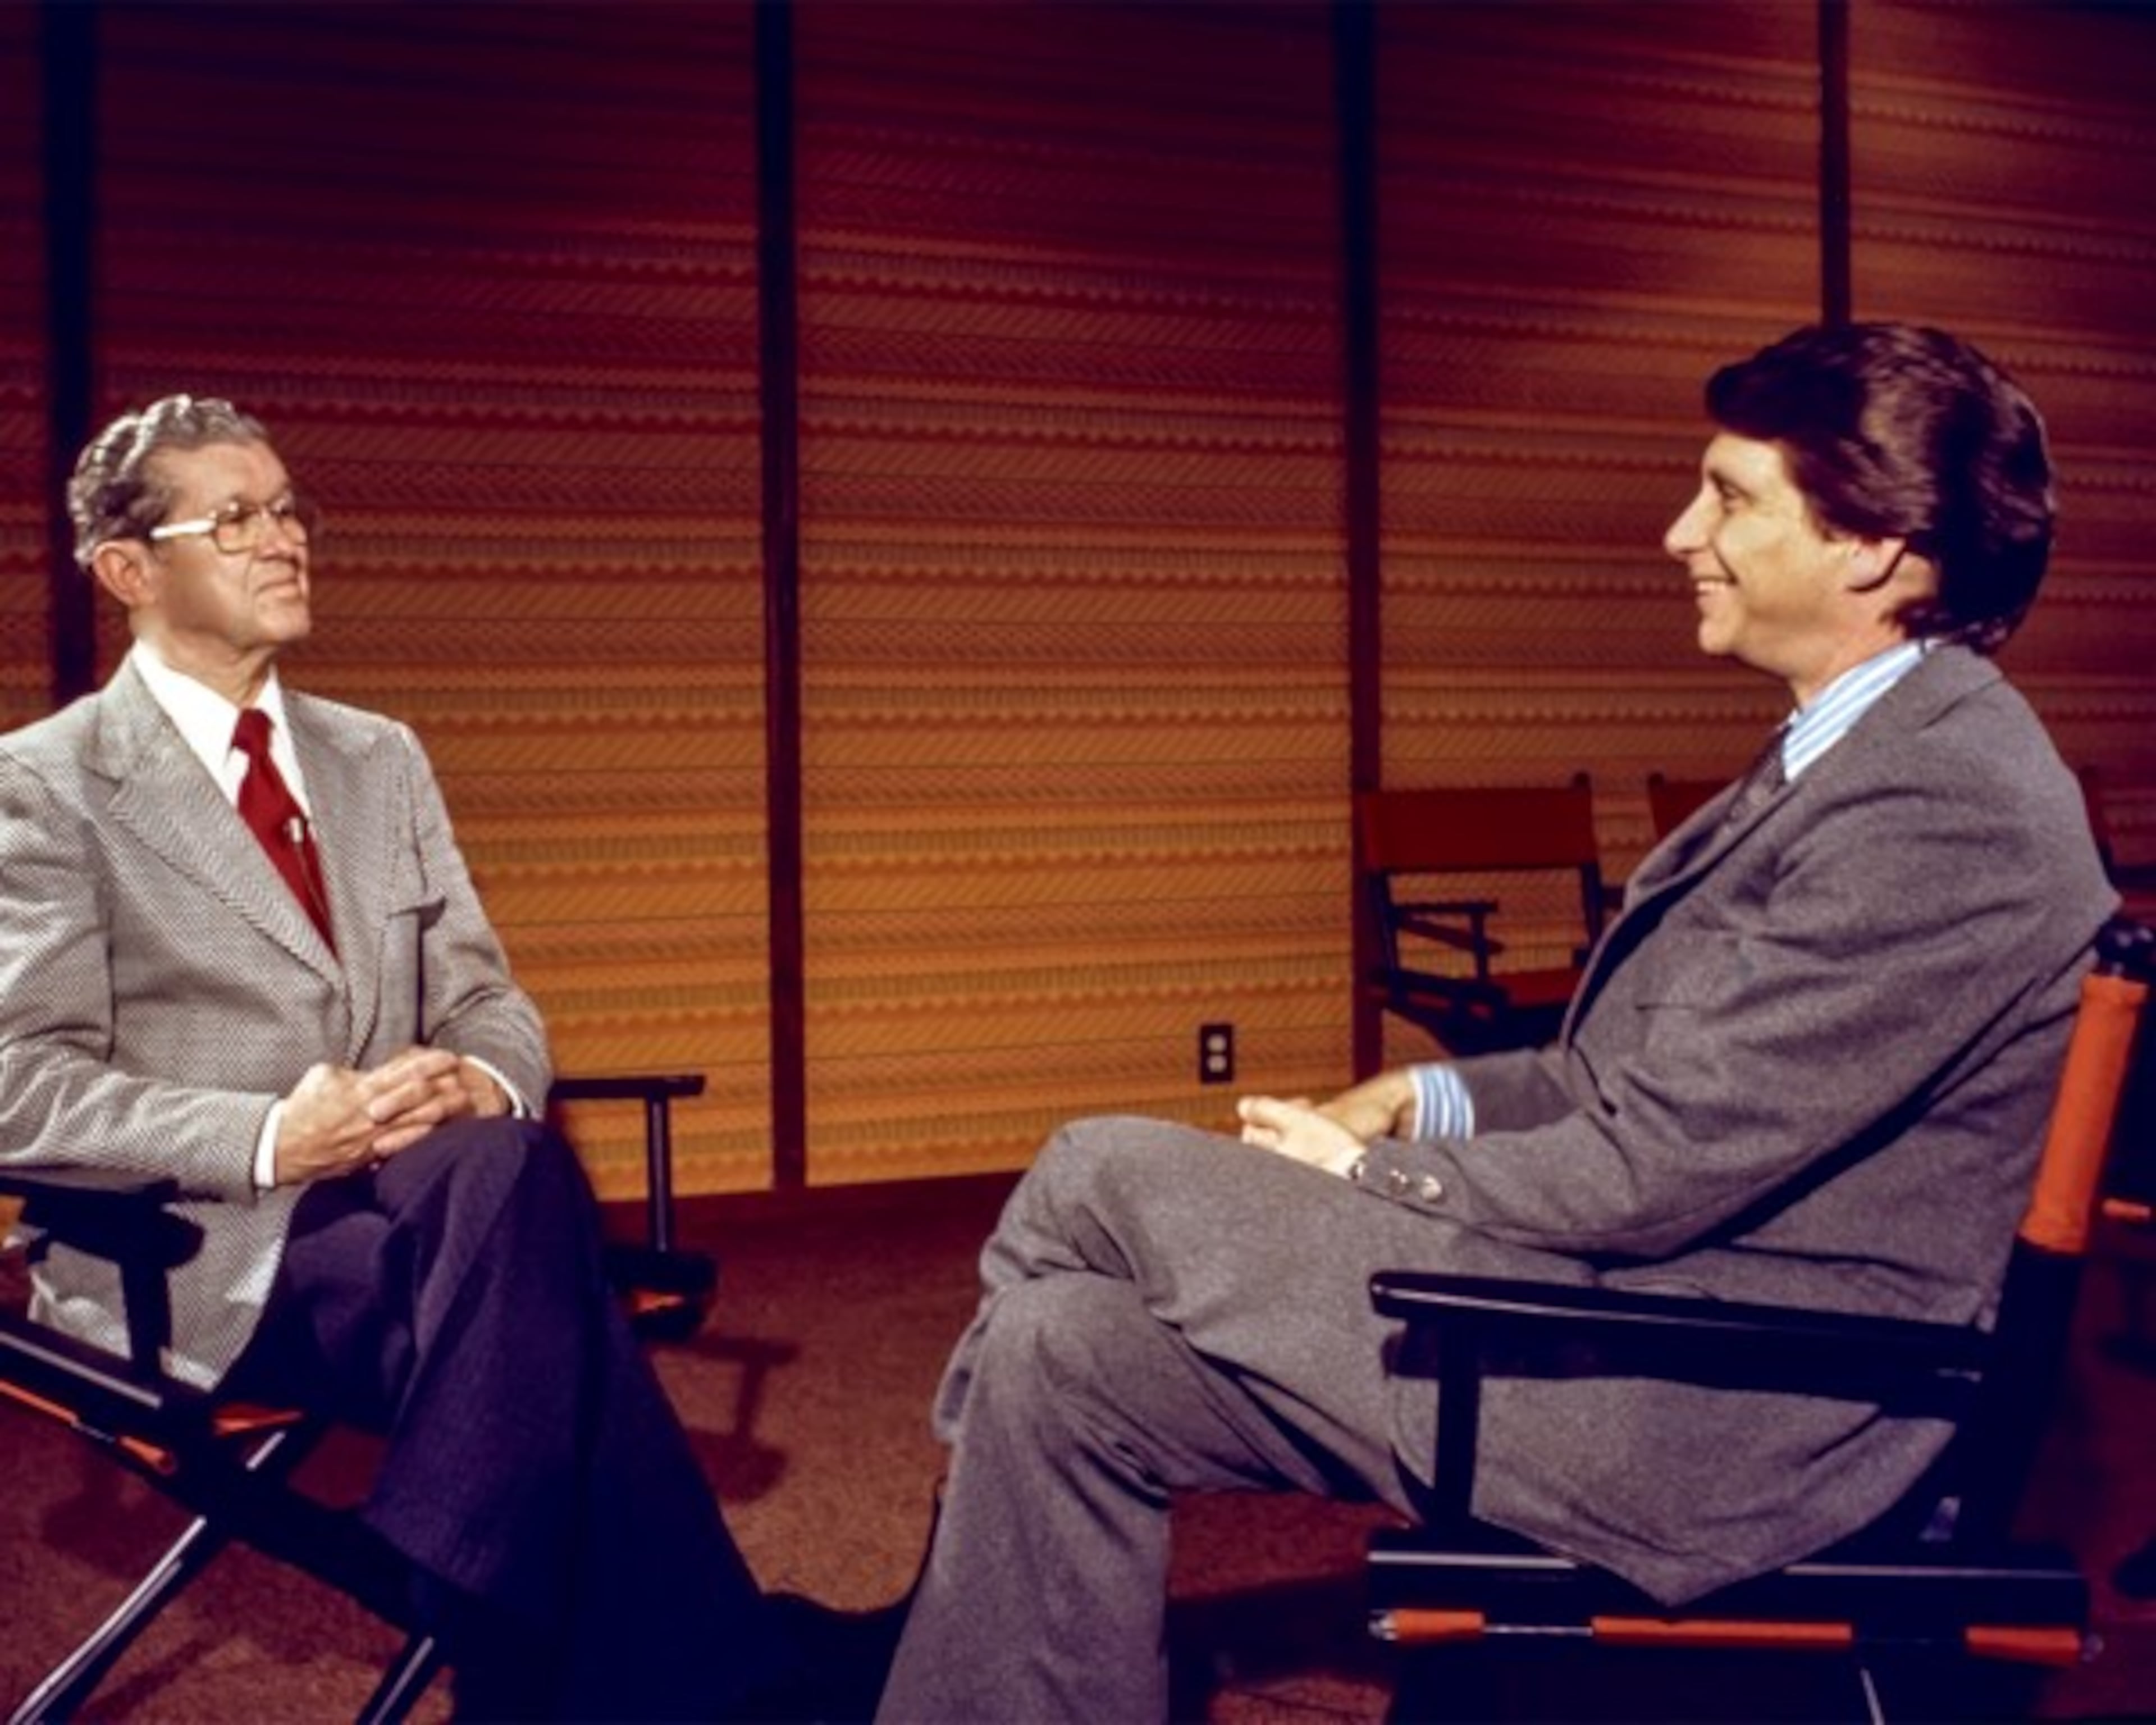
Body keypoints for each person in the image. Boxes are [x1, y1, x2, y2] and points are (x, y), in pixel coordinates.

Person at [872, 323, 2121, 1723]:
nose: (1678, 533)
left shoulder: (1946, 804)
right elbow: (1621, 1078)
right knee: (1056, 1348)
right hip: (1653, 1318)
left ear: (1873, 548)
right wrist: (1416, 1100)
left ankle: (928, 1607)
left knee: (1099, 1165)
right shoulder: (1862, 754)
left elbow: (1654, 1166)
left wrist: (1360, 1180)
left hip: (1726, 1405)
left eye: (1729, 496)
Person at [0, 395, 790, 1719]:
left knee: (501, 1160)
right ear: (129, 572)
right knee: (534, 1255)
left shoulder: (382, 759)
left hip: (424, 1218)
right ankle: (714, 1669)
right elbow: (18, 1085)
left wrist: (479, 1078)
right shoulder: (46, 783)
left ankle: (489, 1611)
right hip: (194, 1249)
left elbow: (488, 997)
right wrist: (267, 1138)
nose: (284, 539)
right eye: (234, 517)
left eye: (290, 507)